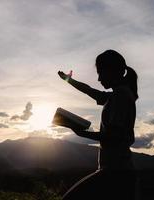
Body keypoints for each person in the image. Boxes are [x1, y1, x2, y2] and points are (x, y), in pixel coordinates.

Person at [58, 49, 138, 200]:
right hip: (116, 171)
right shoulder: (116, 95)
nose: (99, 78)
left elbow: (114, 136)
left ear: (113, 71)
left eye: (101, 72)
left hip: (115, 173)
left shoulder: (120, 96)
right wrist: (68, 80)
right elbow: (90, 91)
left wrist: (82, 133)